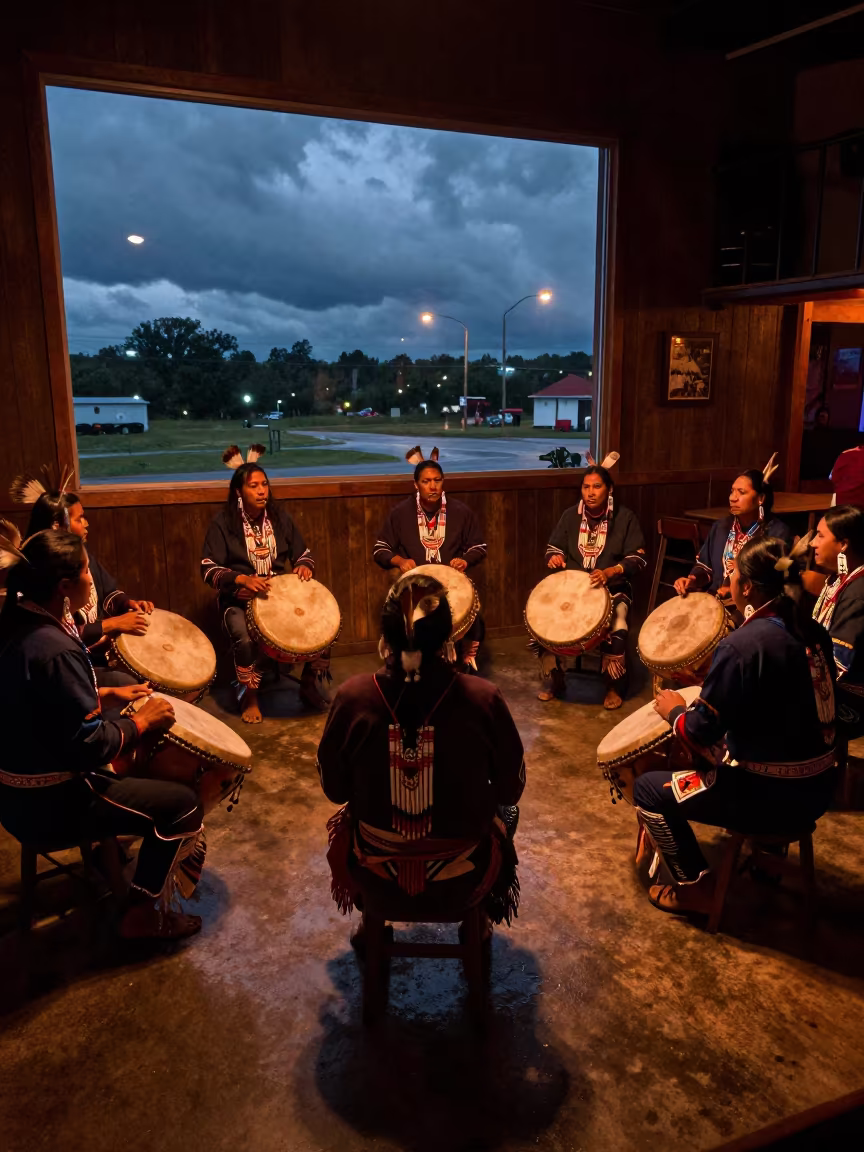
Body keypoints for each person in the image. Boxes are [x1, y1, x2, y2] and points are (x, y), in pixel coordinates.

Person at [0, 521, 203, 939]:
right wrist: (142, 721)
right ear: (62, 586)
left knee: (121, 733)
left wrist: (106, 693)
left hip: (13, 793)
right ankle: (140, 914)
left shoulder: (18, 624)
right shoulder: (53, 647)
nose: (92, 579)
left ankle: (116, 851)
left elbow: (47, 705)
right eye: (87, 572)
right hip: (51, 801)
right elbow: (88, 744)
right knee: (184, 805)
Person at [318, 571, 524, 944]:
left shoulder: (353, 697)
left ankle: (372, 922)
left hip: (377, 876)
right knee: (506, 812)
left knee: (349, 814)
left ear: (386, 635)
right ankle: (476, 922)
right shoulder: (483, 698)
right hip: (463, 875)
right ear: (449, 636)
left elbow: (334, 788)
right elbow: (511, 788)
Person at [636, 535, 836, 917]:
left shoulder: (744, 645)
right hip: (819, 790)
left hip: (766, 799)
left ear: (746, 587)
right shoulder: (814, 632)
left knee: (648, 788)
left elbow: (699, 731)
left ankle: (695, 887)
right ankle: (767, 854)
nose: (727, 585)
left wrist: (676, 711)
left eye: (731, 578)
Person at [201, 445, 329, 723]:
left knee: (324, 623)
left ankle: (308, 684)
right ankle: (250, 696)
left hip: (278, 595)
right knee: (245, 638)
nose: (261, 491)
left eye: (264, 485)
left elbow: (302, 552)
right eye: (253, 486)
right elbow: (208, 569)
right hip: (238, 598)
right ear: (239, 492)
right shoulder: (223, 523)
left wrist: (304, 565)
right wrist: (240, 578)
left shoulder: (279, 518)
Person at [10, 471, 154, 668]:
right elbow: (57, 630)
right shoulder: (37, 574)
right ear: (58, 526)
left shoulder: (80, 556)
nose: (86, 523)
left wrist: (127, 604)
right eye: (80, 518)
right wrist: (112, 624)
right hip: (66, 664)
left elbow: (107, 590)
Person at [538, 456, 647, 710]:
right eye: (586, 487)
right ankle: (557, 679)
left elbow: (638, 558)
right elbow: (553, 546)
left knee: (618, 627)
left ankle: (613, 685)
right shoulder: (570, 516)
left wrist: (611, 571)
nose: (590, 492)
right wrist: (554, 557)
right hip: (573, 590)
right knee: (542, 625)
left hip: (614, 590)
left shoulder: (624, 518)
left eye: (597, 486)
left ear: (609, 490)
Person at [373, 452, 487, 669]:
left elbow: (479, 546)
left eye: (437, 481)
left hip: (449, 586)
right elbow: (380, 549)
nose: (432, 486)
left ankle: (460, 665)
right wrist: (399, 560)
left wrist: (464, 561)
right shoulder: (400, 513)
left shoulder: (460, 512)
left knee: (474, 615)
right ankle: (405, 665)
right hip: (414, 586)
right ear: (416, 484)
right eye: (426, 481)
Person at [674, 456, 794, 606]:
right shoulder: (721, 527)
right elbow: (705, 567)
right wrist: (692, 580)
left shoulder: (777, 533)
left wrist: (734, 590)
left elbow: (776, 579)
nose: (733, 498)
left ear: (760, 498)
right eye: (732, 491)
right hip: (715, 601)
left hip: (753, 607)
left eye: (741, 492)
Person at [811, 505, 864, 737]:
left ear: (843, 544)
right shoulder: (838, 580)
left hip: (853, 701)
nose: (813, 542)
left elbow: (838, 665)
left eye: (821, 535)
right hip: (832, 686)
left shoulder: (858, 592)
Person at [830, 444, 864, 509]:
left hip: (840, 511)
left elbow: (833, 479)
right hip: (855, 511)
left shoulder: (846, 453)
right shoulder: (848, 454)